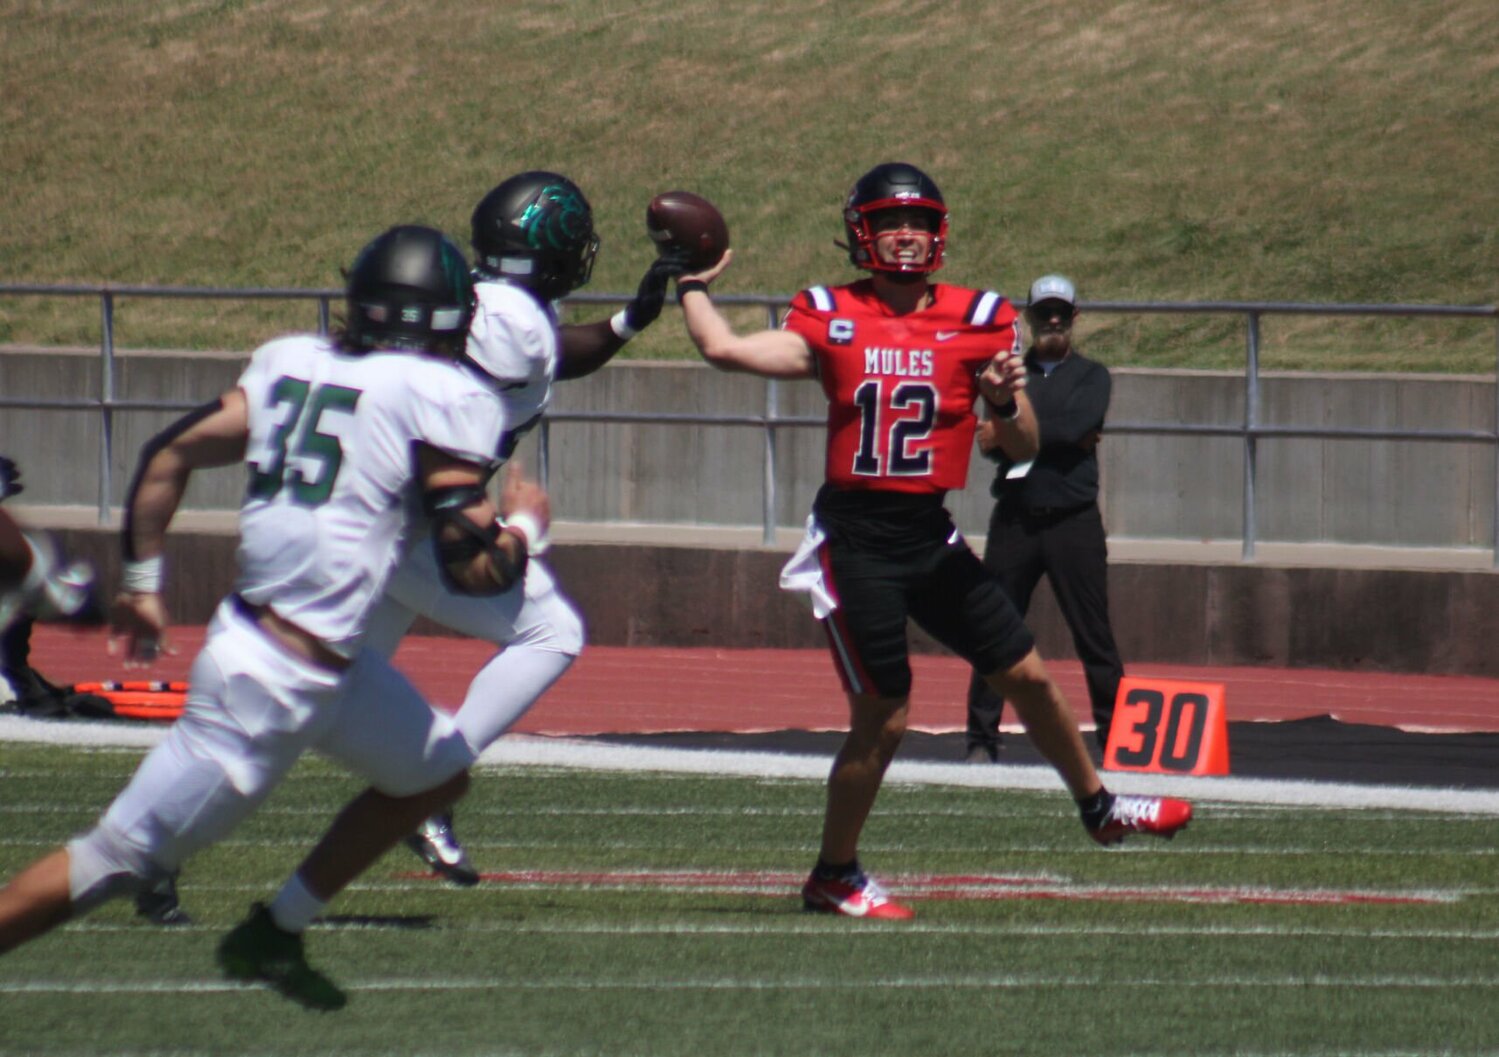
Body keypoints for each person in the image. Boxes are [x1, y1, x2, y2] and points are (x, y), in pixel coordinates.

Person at [0, 225, 546, 1011]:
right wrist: (526, 526)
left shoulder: (293, 361)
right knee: (113, 861)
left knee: (435, 772)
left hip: (315, 659)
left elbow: (168, 452)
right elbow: (474, 566)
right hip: (270, 683)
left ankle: (276, 929)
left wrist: (145, 582)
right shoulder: (444, 395)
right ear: (443, 320)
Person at [673, 162, 1192, 919]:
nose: (905, 234)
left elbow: (1019, 446)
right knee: (884, 714)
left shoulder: (978, 316)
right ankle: (834, 872)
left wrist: (1002, 396)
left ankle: (1097, 804)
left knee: (1029, 675)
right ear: (861, 231)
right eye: (888, 221)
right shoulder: (827, 313)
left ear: (939, 229)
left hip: (929, 533)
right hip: (854, 538)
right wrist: (688, 283)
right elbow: (725, 350)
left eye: (915, 220)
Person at [965, 274, 1125, 762]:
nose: (1052, 320)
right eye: (1043, 312)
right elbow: (993, 444)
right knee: (994, 630)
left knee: (1094, 635)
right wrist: (1017, 431)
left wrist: (1011, 430)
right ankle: (980, 741)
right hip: (1016, 518)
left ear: (1074, 317)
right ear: (1029, 318)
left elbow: (1075, 424)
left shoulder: (1093, 375)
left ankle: (1119, 742)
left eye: (1060, 312)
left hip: (1073, 522)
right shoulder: (1010, 373)